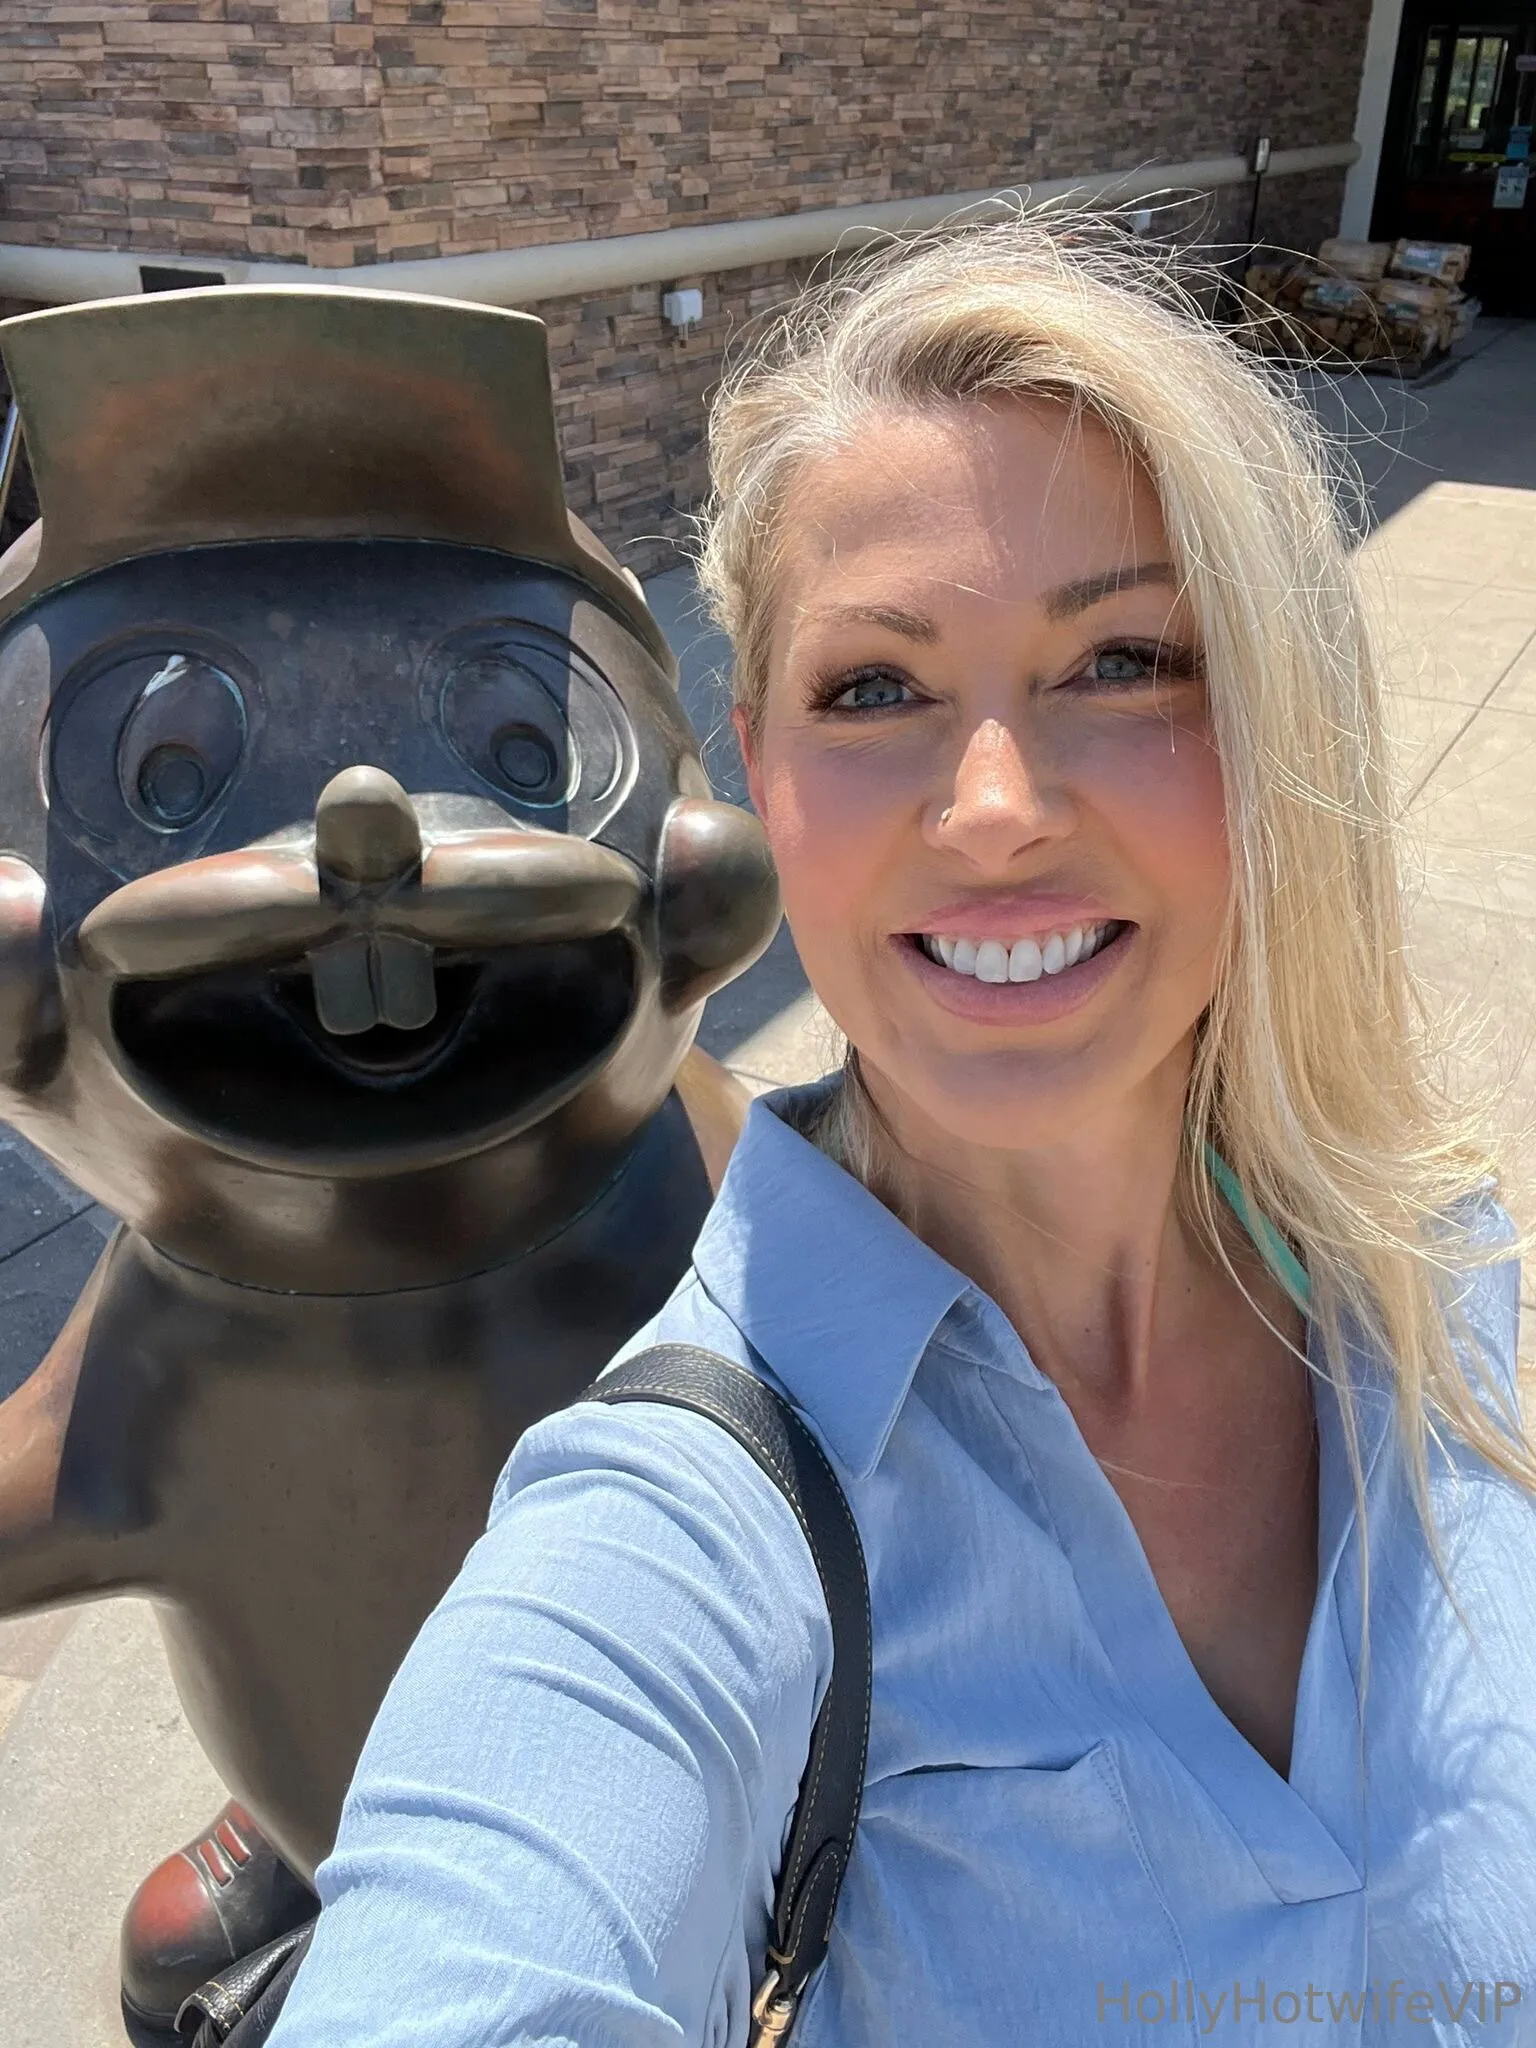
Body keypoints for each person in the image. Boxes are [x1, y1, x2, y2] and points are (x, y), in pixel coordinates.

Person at [265, 217, 1536, 2046]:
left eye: (1123, 660)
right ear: (761, 768)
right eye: (875, 688)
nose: (995, 806)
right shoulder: (681, 1531)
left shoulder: (1439, 1272)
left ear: (1281, 715)